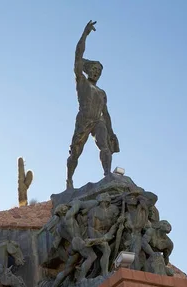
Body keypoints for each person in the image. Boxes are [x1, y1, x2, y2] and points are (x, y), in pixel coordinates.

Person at [66, 20, 119, 189]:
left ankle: (107, 174)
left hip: (98, 121)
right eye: (94, 69)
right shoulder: (82, 82)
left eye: (99, 71)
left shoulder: (102, 92)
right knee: (75, 151)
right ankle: (69, 180)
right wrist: (85, 34)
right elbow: (77, 56)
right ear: (88, 71)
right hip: (84, 119)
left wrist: (111, 133)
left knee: (105, 147)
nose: (96, 72)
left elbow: (106, 113)